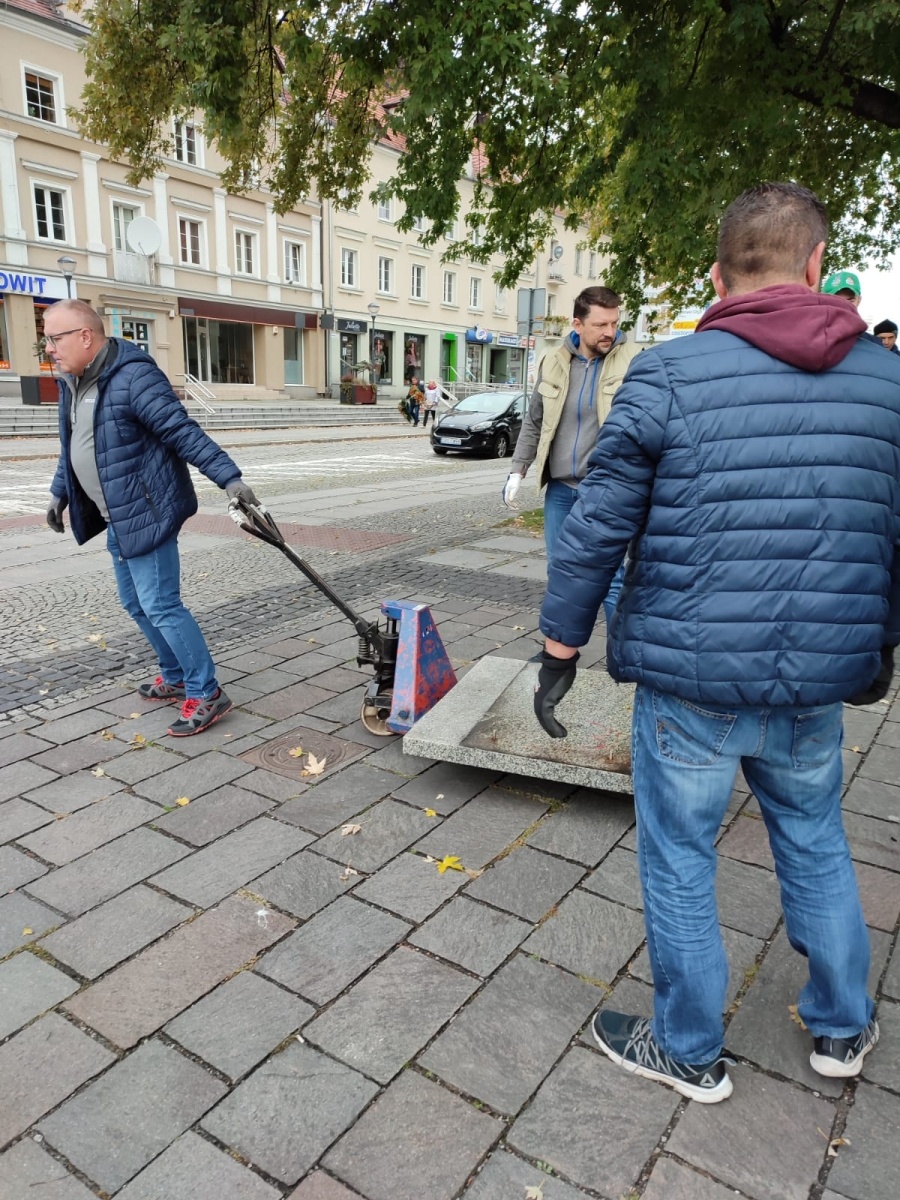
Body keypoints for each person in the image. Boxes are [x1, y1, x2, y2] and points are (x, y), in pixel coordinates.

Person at [534, 182, 897, 1104]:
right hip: (815, 681)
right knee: (816, 839)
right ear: (819, 266)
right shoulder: (888, 385)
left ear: (717, 276)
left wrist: (558, 651)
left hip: (691, 680)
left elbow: (597, 529)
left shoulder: (668, 372)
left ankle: (690, 1049)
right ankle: (843, 1028)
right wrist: (878, 647)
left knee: (681, 855)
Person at [44, 299, 261, 737]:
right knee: (135, 603)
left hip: (148, 511)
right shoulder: (75, 381)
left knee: (161, 605)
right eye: (47, 339)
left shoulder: (134, 376)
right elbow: (77, 446)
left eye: (54, 337)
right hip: (118, 516)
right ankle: (177, 674)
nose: (49, 347)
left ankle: (206, 691)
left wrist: (230, 480)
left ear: (85, 337)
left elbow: (181, 431)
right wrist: (58, 493)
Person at [503, 286, 642, 625]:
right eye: (600, 325)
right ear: (577, 325)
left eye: (614, 322)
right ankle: (559, 652)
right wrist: (517, 470)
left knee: (609, 577)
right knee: (561, 573)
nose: (610, 331)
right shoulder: (553, 361)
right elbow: (535, 421)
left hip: (607, 491)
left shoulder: (636, 361)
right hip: (561, 491)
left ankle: (621, 653)